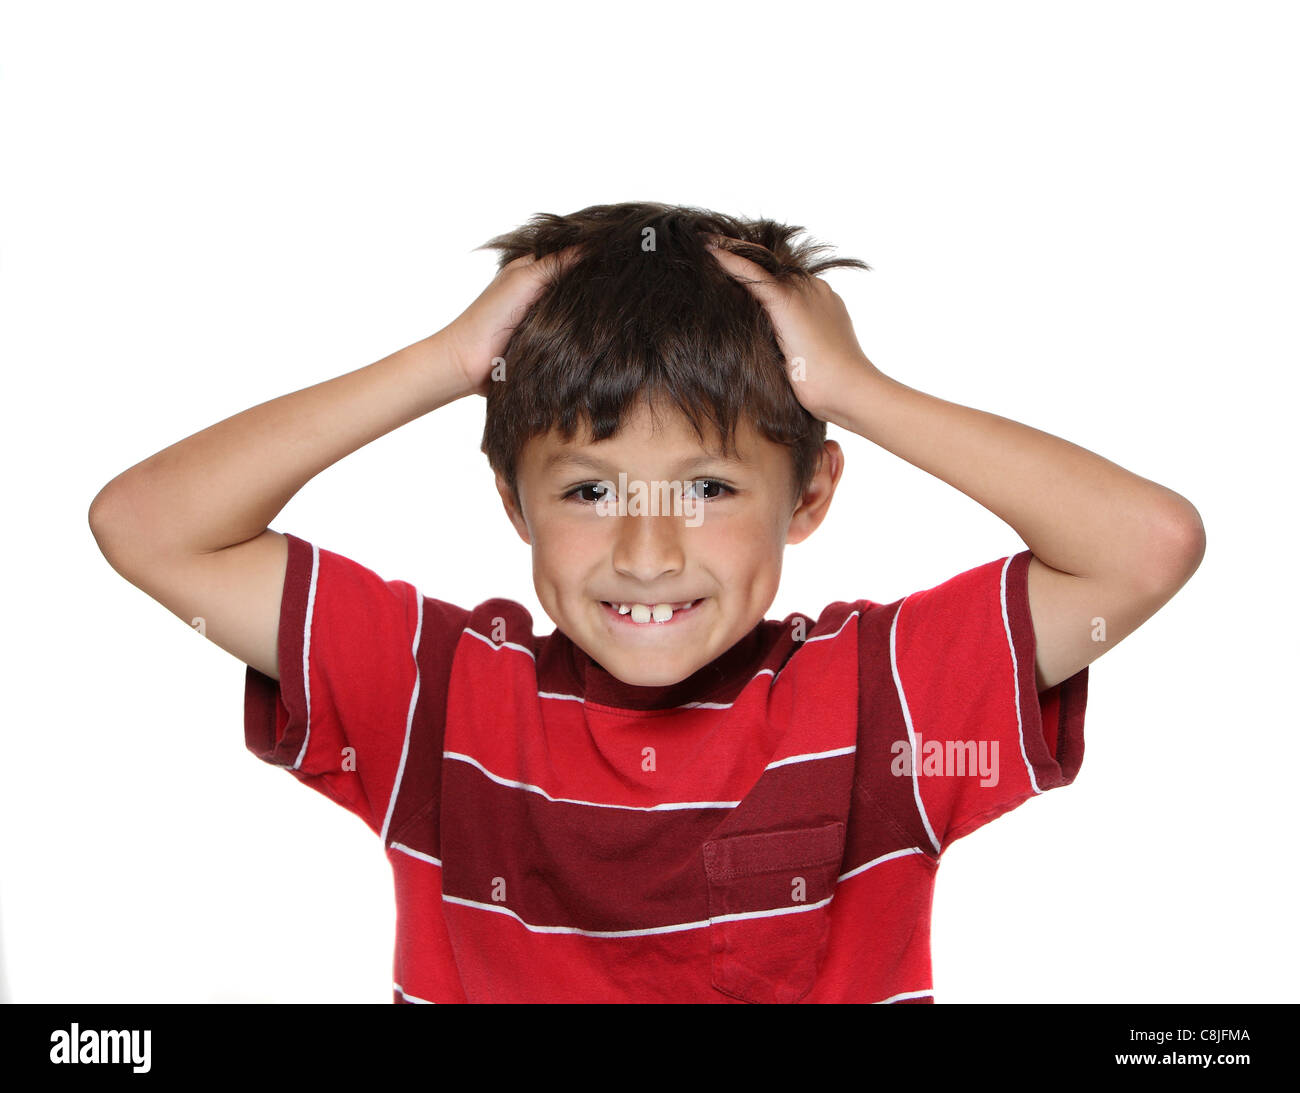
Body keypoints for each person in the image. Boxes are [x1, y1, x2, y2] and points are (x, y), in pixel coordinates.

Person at [87, 200, 1206, 1003]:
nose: (645, 550)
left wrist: (856, 392)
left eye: (709, 487)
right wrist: (443, 362)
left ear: (809, 494)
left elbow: (1144, 549)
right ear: (512, 502)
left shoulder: (881, 699)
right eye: (587, 489)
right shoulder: (437, 699)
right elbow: (146, 525)